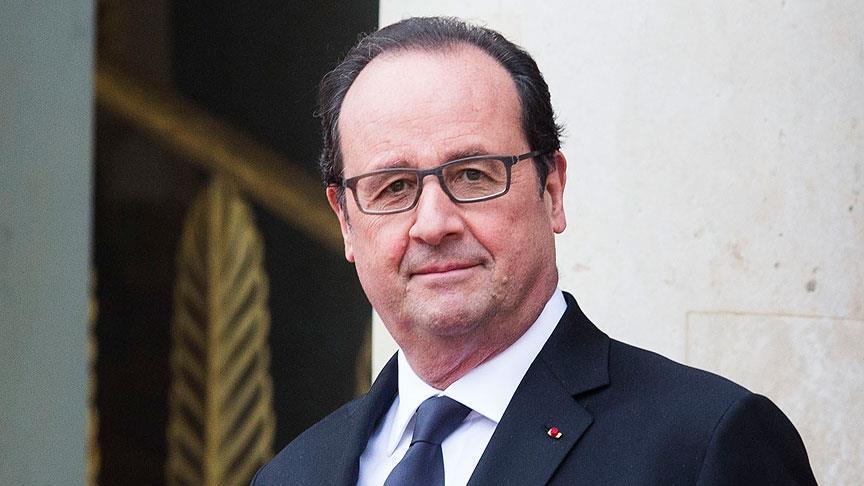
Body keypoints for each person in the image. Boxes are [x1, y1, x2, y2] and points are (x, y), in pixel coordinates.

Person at [253, 16, 816, 485]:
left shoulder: (704, 447)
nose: (433, 224)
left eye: (473, 175)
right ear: (346, 222)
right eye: (394, 187)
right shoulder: (291, 476)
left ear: (552, 191)